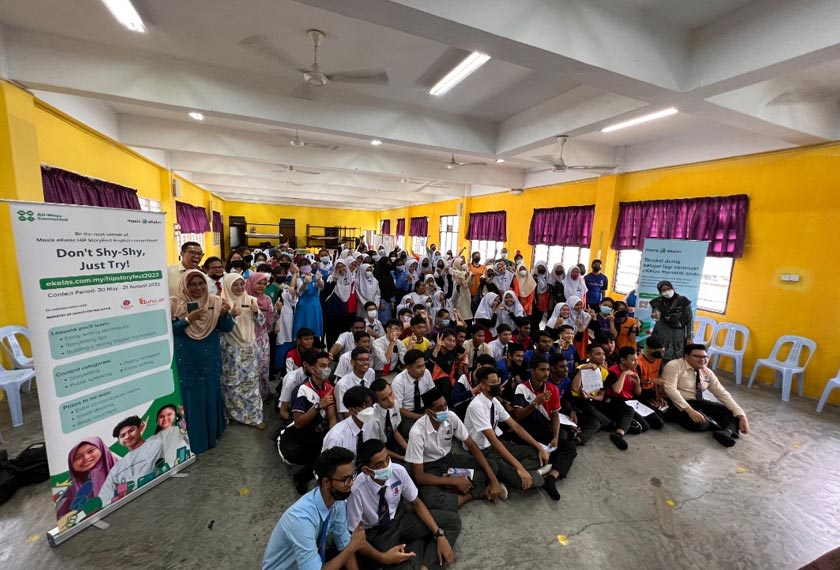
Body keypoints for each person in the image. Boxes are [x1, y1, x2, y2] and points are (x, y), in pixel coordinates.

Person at [347, 440, 459, 570]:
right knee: (396, 562)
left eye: (387, 459)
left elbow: (416, 502)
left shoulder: (398, 471)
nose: (387, 466)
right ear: (367, 470)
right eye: (379, 465)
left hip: (400, 519)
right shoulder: (356, 491)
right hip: (378, 533)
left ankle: (425, 565)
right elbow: (355, 536)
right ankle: (418, 545)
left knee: (452, 521)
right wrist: (382, 556)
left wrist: (439, 534)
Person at [262, 447, 366, 570]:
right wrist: (351, 547)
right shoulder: (301, 520)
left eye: (352, 477)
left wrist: (349, 548)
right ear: (326, 482)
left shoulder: (337, 502)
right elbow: (348, 549)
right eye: (345, 480)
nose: (351, 484)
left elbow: (343, 543)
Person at [405, 388, 504, 511]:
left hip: (449, 460)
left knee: (491, 465)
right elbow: (419, 476)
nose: (444, 410)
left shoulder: (451, 417)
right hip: (430, 468)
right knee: (431, 500)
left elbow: (472, 446)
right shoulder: (417, 432)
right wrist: (453, 481)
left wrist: (493, 480)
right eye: (439, 408)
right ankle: (475, 494)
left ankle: (456, 496)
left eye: (445, 405)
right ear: (428, 412)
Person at [171, 269, 234, 454]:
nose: (198, 288)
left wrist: (225, 314)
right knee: (193, 398)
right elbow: (170, 331)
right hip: (189, 359)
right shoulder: (175, 304)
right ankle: (197, 440)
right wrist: (187, 320)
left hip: (209, 357)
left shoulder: (215, 301)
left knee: (210, 393)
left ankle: (213, 433)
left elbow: (227, 327)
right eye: (192, 284)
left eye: (201, 284)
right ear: (184, 285)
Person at [464, 367, 552, 497]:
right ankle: (529, 474)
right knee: (531, 482)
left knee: (536, 454)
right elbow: (492, 440)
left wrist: (539, 448)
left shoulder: (494, 401)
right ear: (482, 386)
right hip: (481, 451)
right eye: (493, 383)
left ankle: (509, 473)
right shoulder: (476, 406)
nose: (497, 385)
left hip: (496, 445)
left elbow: (515, 426)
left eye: (497, 381)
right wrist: (520, 467)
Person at [512, 358, 578, 501]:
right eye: (542, 370)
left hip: (543, 429)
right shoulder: (521, 388)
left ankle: (551, 478)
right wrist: (535, 403)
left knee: (570, 447)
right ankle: (543, 469)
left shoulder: (552, 389)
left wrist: (555, 436)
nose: (546, 373)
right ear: (533, 371)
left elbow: (555, 416)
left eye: (547, 370)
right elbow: (518, 416)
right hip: (525, 430)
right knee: (540, 454)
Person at [662, 343, 750, 447]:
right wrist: (690, 411)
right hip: (678, 403)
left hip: (698, 401)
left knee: (730, 412)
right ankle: (721, 426)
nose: (702, 359)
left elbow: (722, 393)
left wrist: (742, 415)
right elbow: (670, 389)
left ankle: (725, 432)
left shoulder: (706, 372)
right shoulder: (674, 366)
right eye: (698, 356)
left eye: (705, 357)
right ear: (686, 357)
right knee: (698, 423)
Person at [280, 351, 339, 494]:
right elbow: (299, 423)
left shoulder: (329, 388)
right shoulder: (302, 389)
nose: (327, 369)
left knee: (331, 449)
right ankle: (307, 472)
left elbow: (332, 417)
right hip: (296, 434)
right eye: (322, 366)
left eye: (328, 365)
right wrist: (318, 405)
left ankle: (305, 475)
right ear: (313, 369)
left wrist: (335, 436)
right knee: (297, 454)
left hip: (315, 432)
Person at [219, 273, 266, 429]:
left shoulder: (251, 300)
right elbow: (217, 328)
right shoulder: (222, 302)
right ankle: (233, 415)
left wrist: (255, 312)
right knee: (232, 383)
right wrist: (229, 315)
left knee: (251, 383)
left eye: (241, 284)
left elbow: (260, 323)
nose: (239, 288)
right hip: (230, 349)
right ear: (227, 285)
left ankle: (254, 417)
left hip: (249, 347)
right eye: (235, 285)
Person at [97, 416, 165, 504]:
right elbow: (103, 498)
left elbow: (146, 476)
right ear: (119, 441)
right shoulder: (117, 467)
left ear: (140, 428)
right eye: (122, 436)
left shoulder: (154, 445)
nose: (127, 436)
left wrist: (120, 490)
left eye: (131, 430)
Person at [606, 346, 664, 434]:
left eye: (636, 360)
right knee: (644, 427)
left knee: (659, 423)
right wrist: (624, 373)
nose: (636, 363)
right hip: (618, 402)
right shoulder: (613, 371)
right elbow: (616, 391)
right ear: (623, 360)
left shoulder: (635, 370)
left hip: (632, 401)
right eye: (633, 360)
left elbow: (638, 392)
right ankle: (616, 424)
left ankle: (629, 421)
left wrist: (637, 382)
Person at [57, 437, 118, 517]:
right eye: (78, 457)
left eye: (91, 451)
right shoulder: (72, 488)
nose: (86, 458)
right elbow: (64, 516)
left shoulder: (122, 467)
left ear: (101, 448)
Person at [569, 344, 612, 445]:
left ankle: (577, 440)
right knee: (591, 411)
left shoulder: (605, 373)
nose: (602, 356)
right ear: (589, 355)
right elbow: (574, 388)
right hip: (579, 401)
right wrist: (583, 370)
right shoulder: (580, 368)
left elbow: (601, 396)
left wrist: (591, 396)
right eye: (597, 354)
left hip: (593, 401)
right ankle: (608, 423)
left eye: (603, 354)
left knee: (595, 423)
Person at [321, 386, 378, 459]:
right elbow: (330, 466)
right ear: (351, 410)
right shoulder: (336, 437)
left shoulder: (371, 424)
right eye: (364, 406)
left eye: (371, 405)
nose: (370, 409)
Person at [391, 349, 435, 438]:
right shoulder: (398, 382)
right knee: (409, 430)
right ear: (408, 367)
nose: (423, 369)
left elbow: (432, 393)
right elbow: (399, 409)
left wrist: (433, 410)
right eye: (419, 367)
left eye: (424, 365)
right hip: (408, 413)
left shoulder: (426, 373)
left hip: (425, 408)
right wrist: (420, 417)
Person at [247, 272, 276, 401]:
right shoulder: (246, 299)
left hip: (263, 338)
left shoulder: (268, 299)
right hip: (248, 337)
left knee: (263, 367)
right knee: (250, 368)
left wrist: (277, 311)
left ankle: (264, 393)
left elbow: (270, 319)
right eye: (259, 283)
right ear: (252, 282)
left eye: (264, 284)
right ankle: (252, 396)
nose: (262, 286)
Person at [649, 280, 693, 364]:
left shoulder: (683, 301)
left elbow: (689, 320)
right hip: (662, 334)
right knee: (661, 359)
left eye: (668, 288)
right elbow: (656, 311)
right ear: (660, 292)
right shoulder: (657, 302)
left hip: (678, 335)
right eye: (663, 290)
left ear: (672, 288)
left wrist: (689, 337)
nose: (666, 291)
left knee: (678, 360)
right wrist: (655, 315)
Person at [369, 378, 408, 461]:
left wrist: (408, 450)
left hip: (393, 445)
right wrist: (401, 458)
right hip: (380, 452)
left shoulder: (394, 404)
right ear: (376, 401)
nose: (391, 401)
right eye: (384, 399)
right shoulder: (373, 419)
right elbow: (378, 447)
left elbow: (395, 431)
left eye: (390, 394)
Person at [323, 259, 356, 347]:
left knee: (341, 333)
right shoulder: (331, 277)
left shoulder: (349, 277)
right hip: (332, 310)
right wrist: (334, 281)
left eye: (343, 266)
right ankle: (331, 352)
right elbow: (325, 293)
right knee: (331, 333)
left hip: (343, 310)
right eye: (338, 267)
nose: (341, 269)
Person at [335, 347, 377, 417]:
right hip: (352, 418)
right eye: (362, 360)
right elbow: (345, 412)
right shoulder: (342, 384)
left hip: (369, 412)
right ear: (352, 362)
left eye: (367, 359)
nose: (366, 362)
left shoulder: (371, 372)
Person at [425, 329, 464, 403]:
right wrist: (436, 349)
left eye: (454, 341)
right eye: (449, 340)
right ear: (441, 340)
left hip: (445, 385)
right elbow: (427, 372)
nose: (452, 343)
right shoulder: (431, 352)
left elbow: (451, 375)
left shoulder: (450, 356)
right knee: (445, 381)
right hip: (430, 385)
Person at [149, 404, 191, 469]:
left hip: (187, 464)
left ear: (175, 416)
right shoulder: (151, 439)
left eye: (169, 415)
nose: (165, 418)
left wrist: (183, 414)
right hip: (165, 473)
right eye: (161, 416)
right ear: (157, 420)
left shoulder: (179, 429)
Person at [292, 260, 325, 339]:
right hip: (303, 304)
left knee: (314, 326)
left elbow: (321, 287)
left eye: (307, 264)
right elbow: (301, 290)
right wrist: (305, 283)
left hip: (315, 304)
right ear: (299, 268)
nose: (305, 266)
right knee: (303, 325)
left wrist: (318, 280)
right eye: (303, 265)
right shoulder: (299, 278)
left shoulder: (316, 276)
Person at [636, 335, 668, 414]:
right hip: (640, 393)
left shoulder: (658, 359)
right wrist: (650, 380)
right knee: (657, 416)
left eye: (662, 351)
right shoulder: (638, 362)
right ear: (648, 348)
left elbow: (656, 379)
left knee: (666, 411)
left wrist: (657, 395)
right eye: (658, 351)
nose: (660, 354)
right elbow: (636, 381)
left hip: (652, 391)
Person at [531, 261, 551, 332]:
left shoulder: (548, 277)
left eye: (542, 267)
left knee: (539, 317)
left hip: (543, 301)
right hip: (533, 300)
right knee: (532, 319)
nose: (540, 268)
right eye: (538, 267)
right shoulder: (533, 276)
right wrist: (535, 275)